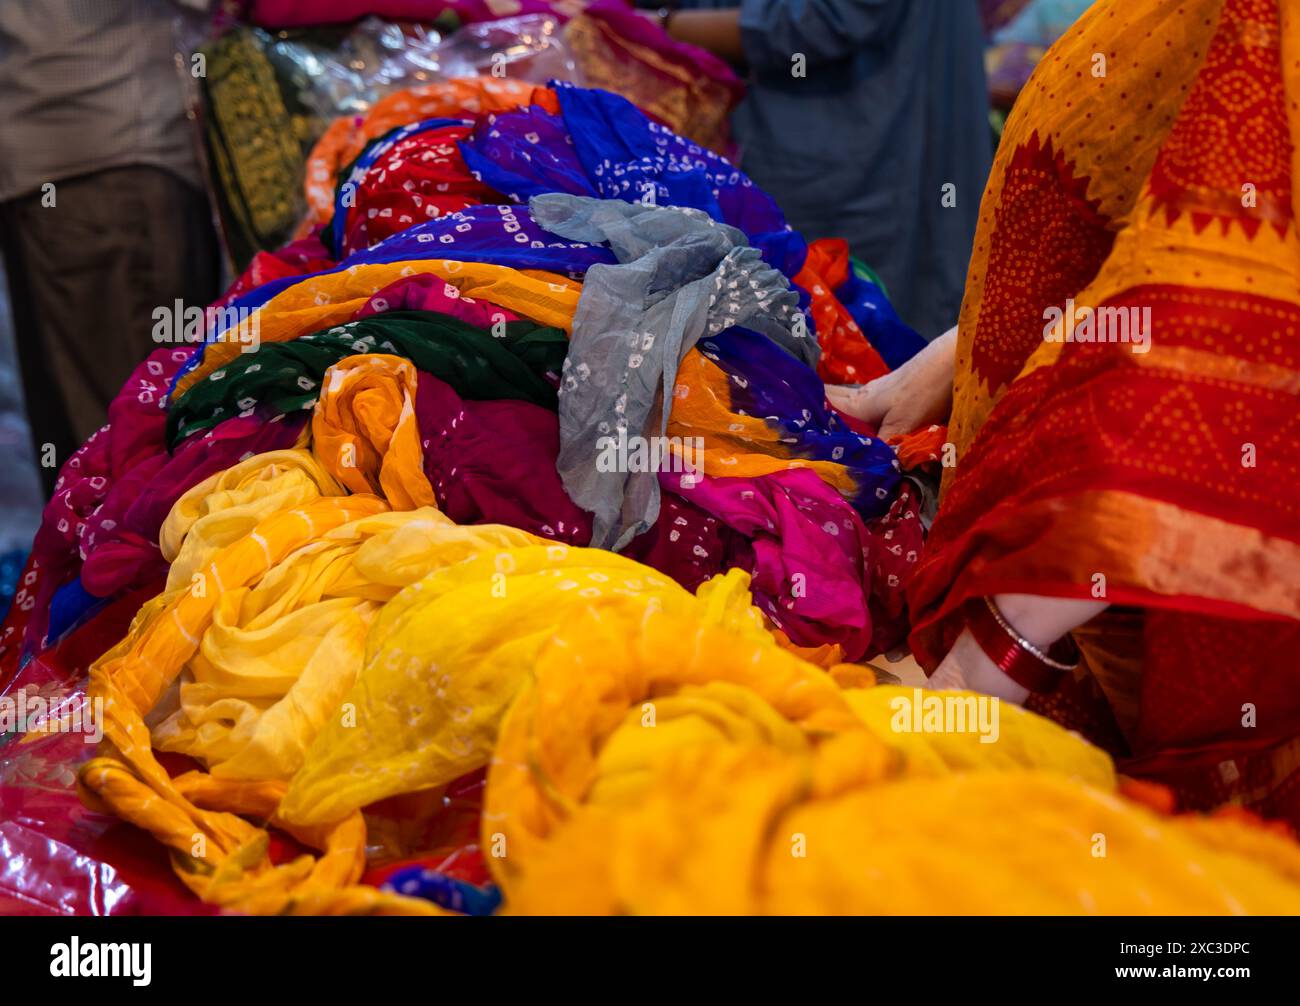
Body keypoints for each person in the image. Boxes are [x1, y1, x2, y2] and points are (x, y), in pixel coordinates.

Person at [831, 0, 1300, 827]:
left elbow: (1207, 335)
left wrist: (992, 661)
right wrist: (950, 355)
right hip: (1056, 614)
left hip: (1078, 639)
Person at [645, 0, 992, 342]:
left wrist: (655, 26)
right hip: (830, 132)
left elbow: (823, 19)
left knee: (850, 328)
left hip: (860, 142)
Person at [0, 0, 219, 497]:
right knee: (133, 447)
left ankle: (97, 567)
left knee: (86, 437)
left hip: (54, 153)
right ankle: (121, 572)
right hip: (115, 160)